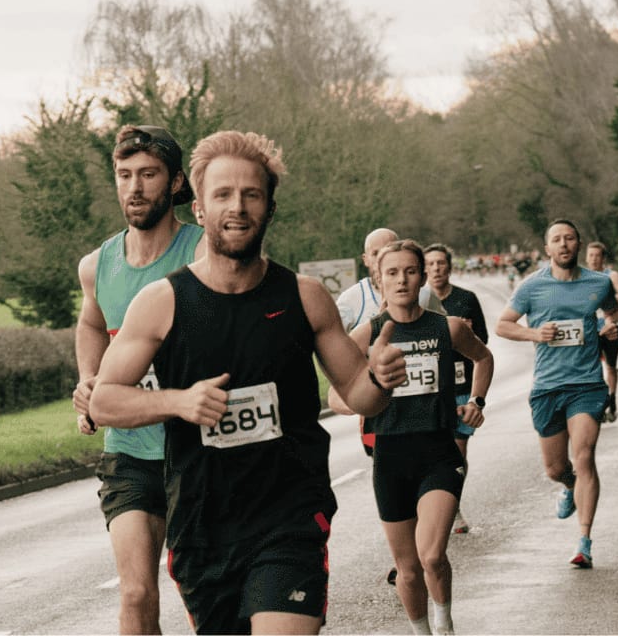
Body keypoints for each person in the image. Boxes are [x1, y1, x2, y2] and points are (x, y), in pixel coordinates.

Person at [90, 130, 403, 635]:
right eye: (223, 194)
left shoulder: (305, 297)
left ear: (270, 209)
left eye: (251, 194)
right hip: (203, 524)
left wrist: (382, 380)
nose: (237, 207)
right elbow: (104, 400)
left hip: (290, 518)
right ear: (199, 209)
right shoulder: (162, 301)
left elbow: (358, 392)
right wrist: (180, 402)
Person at [73, 124, 205, 634]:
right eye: (124, 175)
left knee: (200, 583)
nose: (134, 187)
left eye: (147, 175)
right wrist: (89, 379)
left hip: (197, 447)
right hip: (129, 449)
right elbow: (90, 322)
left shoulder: (201, 254)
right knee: (134, 591)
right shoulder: (97, 263)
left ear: (174, 182)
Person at [350, 240, 492, 636]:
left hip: (438, 454)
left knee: (432, 556)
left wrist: (477, 400)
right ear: (379, 279)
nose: (401, 280)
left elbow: (484, 358)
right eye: (391, 272)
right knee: (408, 570)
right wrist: (371, 384)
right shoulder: (368, 334)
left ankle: (444, 622)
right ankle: (421, 631)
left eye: (409, 271)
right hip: (390, 459)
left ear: (422, 275)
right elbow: (337, 396)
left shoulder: (446, 328)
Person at [495, 219, 618, 569]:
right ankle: (568, 485)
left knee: (584, 456)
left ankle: (584, 541)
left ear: (578, 244)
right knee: (556, 468)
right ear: (547, 249)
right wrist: (535, 334)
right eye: (557, 240)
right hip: (547, 387)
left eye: (570, 238)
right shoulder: (532, 287)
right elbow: (503, 324)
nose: (564, 244)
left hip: (586, 384)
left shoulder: (598, 283)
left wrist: (609, 327)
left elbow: (613, 313)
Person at [332, 228, 444, 458]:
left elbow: (446, 338)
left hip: (425, 408)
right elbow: (333, 354)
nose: (383, 256)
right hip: (380, 412)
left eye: (389, 248)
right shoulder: (351, 300)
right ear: (366, 260)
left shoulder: (423, 294)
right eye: (375, 253)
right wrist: (361, 398)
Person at [422, 243, 488, 535]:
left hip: (461, 383)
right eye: (431, 264)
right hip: (431, 387)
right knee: (432, 449)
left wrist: (466, 331)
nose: (436, 268)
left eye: (441, 263)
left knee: (457, 451)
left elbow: (483, 342)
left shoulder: (466, 298)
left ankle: (453, 505)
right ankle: (433, 505)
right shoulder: (418, 300)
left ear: (449, 266)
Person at [584, 242, 618, 422]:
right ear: (586, 257)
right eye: (590, 255)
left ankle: (613, 398)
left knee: (610, 365)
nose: (593, 259)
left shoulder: (611, 275)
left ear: (603, 258)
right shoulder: (581, 276)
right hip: (590, 329)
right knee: (593, 368)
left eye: (597, 255)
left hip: (609, 327)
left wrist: (605, 299)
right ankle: (600, 402)